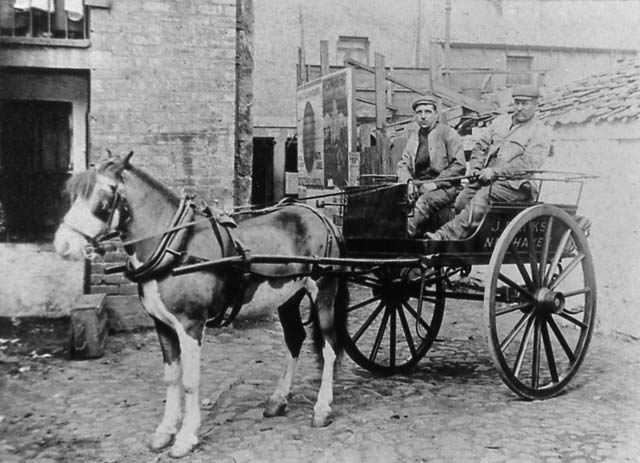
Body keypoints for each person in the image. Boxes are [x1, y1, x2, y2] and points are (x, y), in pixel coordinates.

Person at [426, 84, 551, 241]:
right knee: (461, 202)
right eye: (517, 102)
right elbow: (481, 146)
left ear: (535, 105)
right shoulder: (500, 122)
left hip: (515, 185)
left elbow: (528, 163)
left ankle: (444, 236)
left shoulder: (540, 131)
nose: (519, 108)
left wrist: (496, 172)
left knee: (482, 198)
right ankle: (468, 241)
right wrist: (476, 167)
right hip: (485, 179)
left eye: (525, 104)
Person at [397, 95, 466, 237]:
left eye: (428, 112)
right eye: (419, 112)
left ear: (436, 114)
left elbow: (459, 166)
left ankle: (402, 239)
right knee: (392, 200)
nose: (423, 116)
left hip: (445, 188)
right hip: (418, 186)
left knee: (424, 202)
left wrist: (435, 184)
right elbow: (403, 164)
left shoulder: (448, 134)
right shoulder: (413, 137)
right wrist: (408, 183)